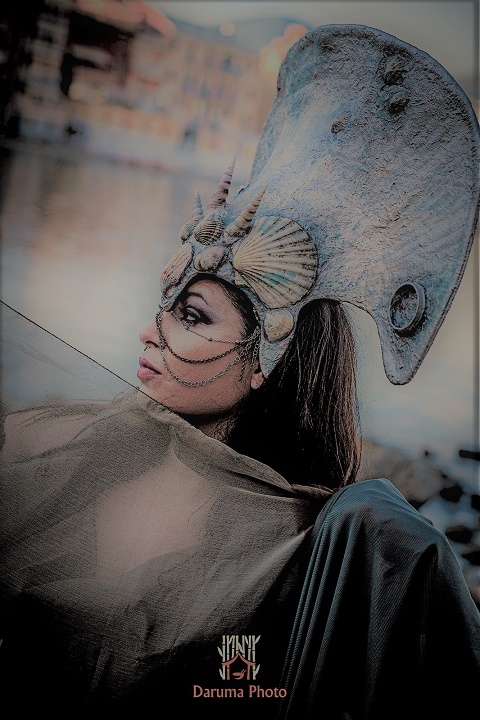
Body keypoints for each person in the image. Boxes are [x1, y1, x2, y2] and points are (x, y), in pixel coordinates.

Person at [1, 24, 479, 719]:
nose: (150, 332)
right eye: (165, 308)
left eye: (193, 317)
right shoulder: (68, 445)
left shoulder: (309, 553)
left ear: (266, 360)